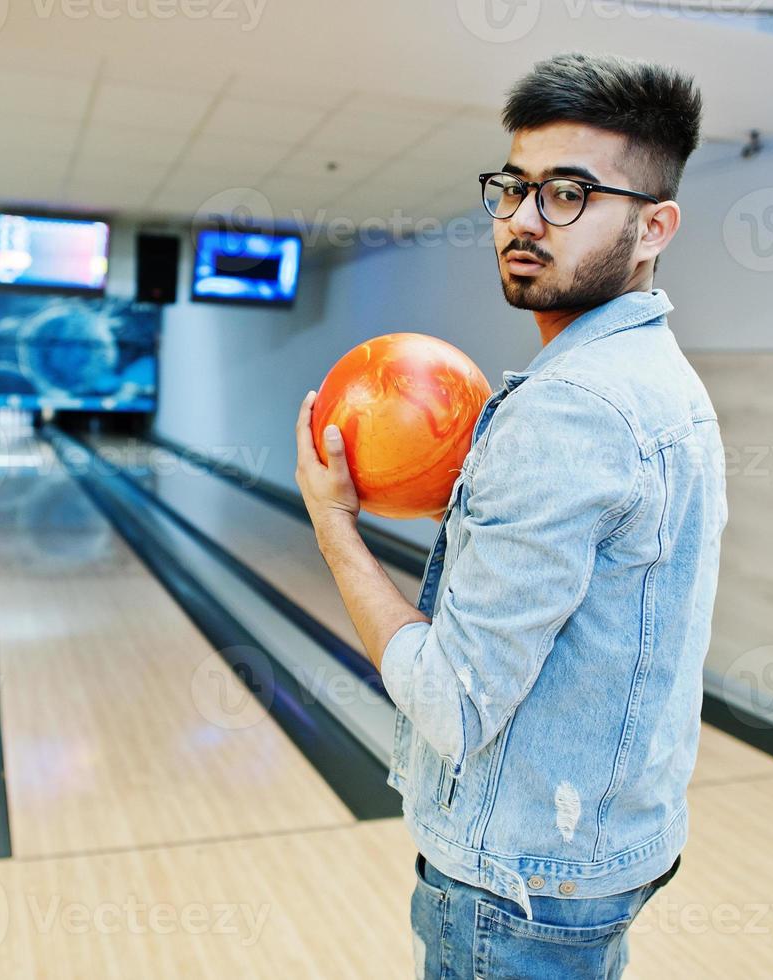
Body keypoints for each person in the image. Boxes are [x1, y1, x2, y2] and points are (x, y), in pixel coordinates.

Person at [294, 52, 727, 979]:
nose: (525, 219)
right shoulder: (659, 381)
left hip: (516, 883)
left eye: (570, 194)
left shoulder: (571, 407)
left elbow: (450, 702)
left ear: (655, 226)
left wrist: (334, 530)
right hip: (594, 850)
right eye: (515, 187)